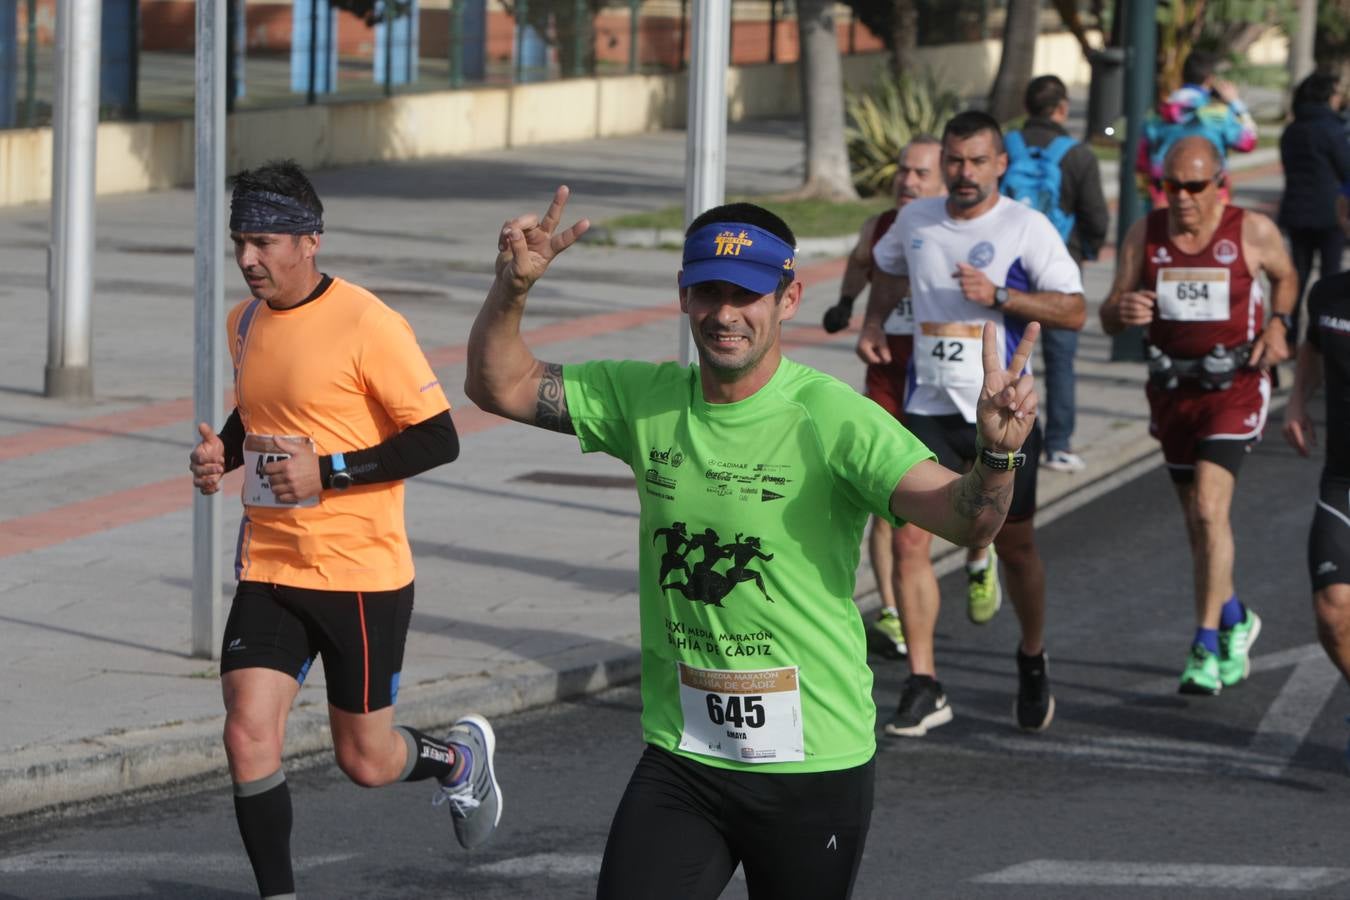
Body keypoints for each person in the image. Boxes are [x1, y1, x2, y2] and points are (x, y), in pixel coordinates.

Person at [465, 187, 1042, 899]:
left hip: (812, 764)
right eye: (709, 291)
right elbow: (499, 385)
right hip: (686, 755)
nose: (726, 313)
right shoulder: (646, 400)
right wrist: (512, 287)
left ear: (789, 297)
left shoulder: (833, 419)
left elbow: (966, 519)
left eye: (748, 294)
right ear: (683, 295)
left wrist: (995, 457)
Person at [188, 160, 500, 899]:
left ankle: (458, 761)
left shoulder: (369, 323)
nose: (247, 260)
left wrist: (327, 472)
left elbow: (437, 439)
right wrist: (219, 455)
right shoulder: (246, 321)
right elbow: (258, 412)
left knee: (364, 761)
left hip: (360, 575)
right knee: (245, 732)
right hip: (270, 564)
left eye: (263, 242)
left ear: (310, 241)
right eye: (239, 242)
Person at [858, 110, 1086, 737]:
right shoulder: (914, 219)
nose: (963, 173)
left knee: (1013, 547)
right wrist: (875, 322)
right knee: (908, 538)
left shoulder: (1025, 227)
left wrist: (1002, 297)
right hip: (927, 406)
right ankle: (924, 682)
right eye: (954, 161)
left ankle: (1033, 655)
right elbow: (886, 267)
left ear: (1000, 165)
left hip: (1003, 418)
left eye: (976, 161)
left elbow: (1073, 309)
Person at [1101, 136, 1296, 695]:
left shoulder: (1250, 230)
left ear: (1219, 183)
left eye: (1194, 186)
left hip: (1233, 385)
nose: (1182, 198)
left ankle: (1205, 645)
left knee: (1211, 510)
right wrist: (1124, 309)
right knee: (1197, 523)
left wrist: (1280, 324)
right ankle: (1235, 615)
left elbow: (1285, 275)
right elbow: (1111, 313)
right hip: (1172, 389)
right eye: (1171, 186)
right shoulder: (1147, 233)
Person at [819, 136, 1003, 658]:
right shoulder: (881, 227)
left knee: (972, 484)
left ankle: (977, 559)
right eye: (903, 171)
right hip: (889, 382)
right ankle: (894, 610)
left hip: (952, 387)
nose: (908, 181)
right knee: (884, 501)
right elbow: (860, 261)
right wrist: (845, 304)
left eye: (921, 174)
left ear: (944, 183)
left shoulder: (955, 232)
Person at [1003, 74, 1110, 473]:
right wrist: (1088, 248)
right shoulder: (1078, 154)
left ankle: (1009, 435)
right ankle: (1059, 445)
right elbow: (1095, 214)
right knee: (1061, 361)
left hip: (1009, 273)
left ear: (1028, 106)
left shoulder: (1005, 147)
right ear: (1062, 108)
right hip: (1061, 269)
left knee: (1012, 356)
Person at [1283, 269, 1350, 770]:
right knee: (1332, 611)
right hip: (1342, 479)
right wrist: (1297, 400)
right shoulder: (1328, 294)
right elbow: (1313, 347)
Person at [1279, 72, 1350, 346]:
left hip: (1296, 212)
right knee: (1331, 281)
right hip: (1329, 215)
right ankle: (1325, 342)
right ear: (1327, 97)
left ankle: (1289, 337)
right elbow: (1346, 171)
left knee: (1296, 276)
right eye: (1336, 93)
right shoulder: (1332, 130)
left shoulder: (1292, 130)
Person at [1138, 51, 1259, 210]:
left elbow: (1142, 162)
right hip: (1210, 199)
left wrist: (1149, 198)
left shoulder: (1158, 113)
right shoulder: (1218, 113)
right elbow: (1248, 142)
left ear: (1183, 76)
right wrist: (1236, 104)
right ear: (1210, 79)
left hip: (1166, 198)